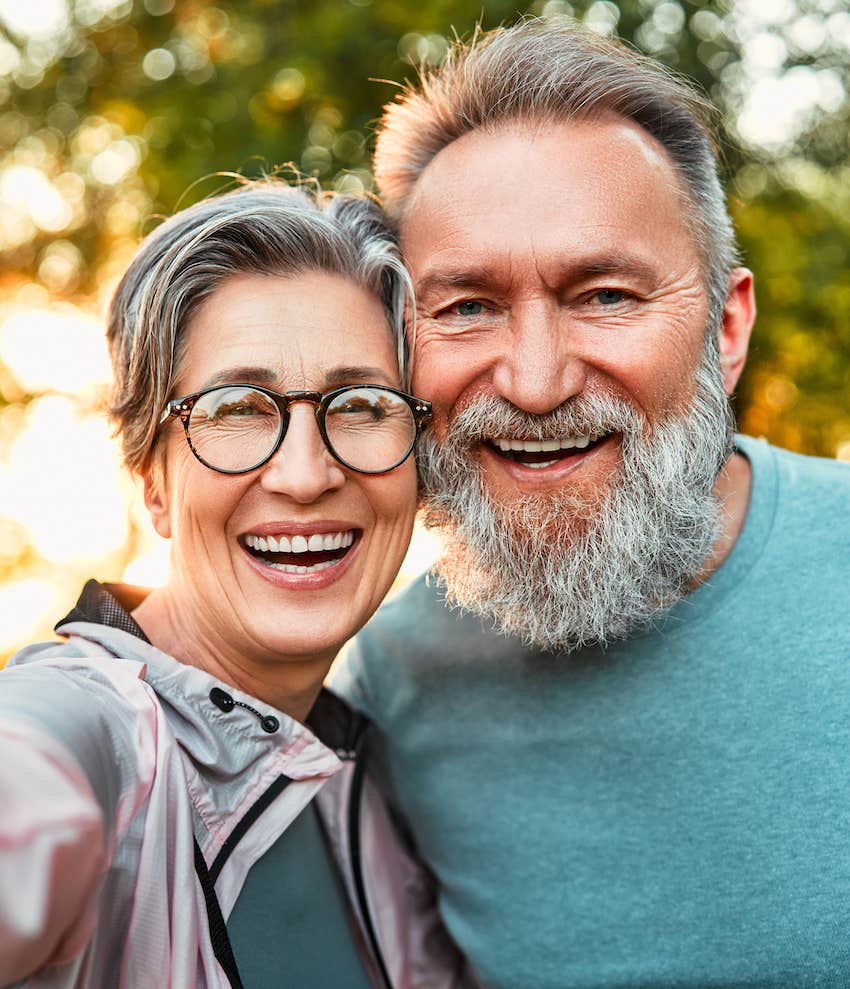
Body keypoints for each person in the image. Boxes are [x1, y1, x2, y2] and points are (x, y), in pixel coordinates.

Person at [335, 18, 850, 989]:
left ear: (726, 326)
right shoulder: (395, 681)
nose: (532, 382)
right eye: (465, 307)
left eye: (605, 295)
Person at [0, 181, 468, 989]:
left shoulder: (367, 786)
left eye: (359, 403)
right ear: (151, 478)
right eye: (237, 408)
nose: (306, 472)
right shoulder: (89, 734)